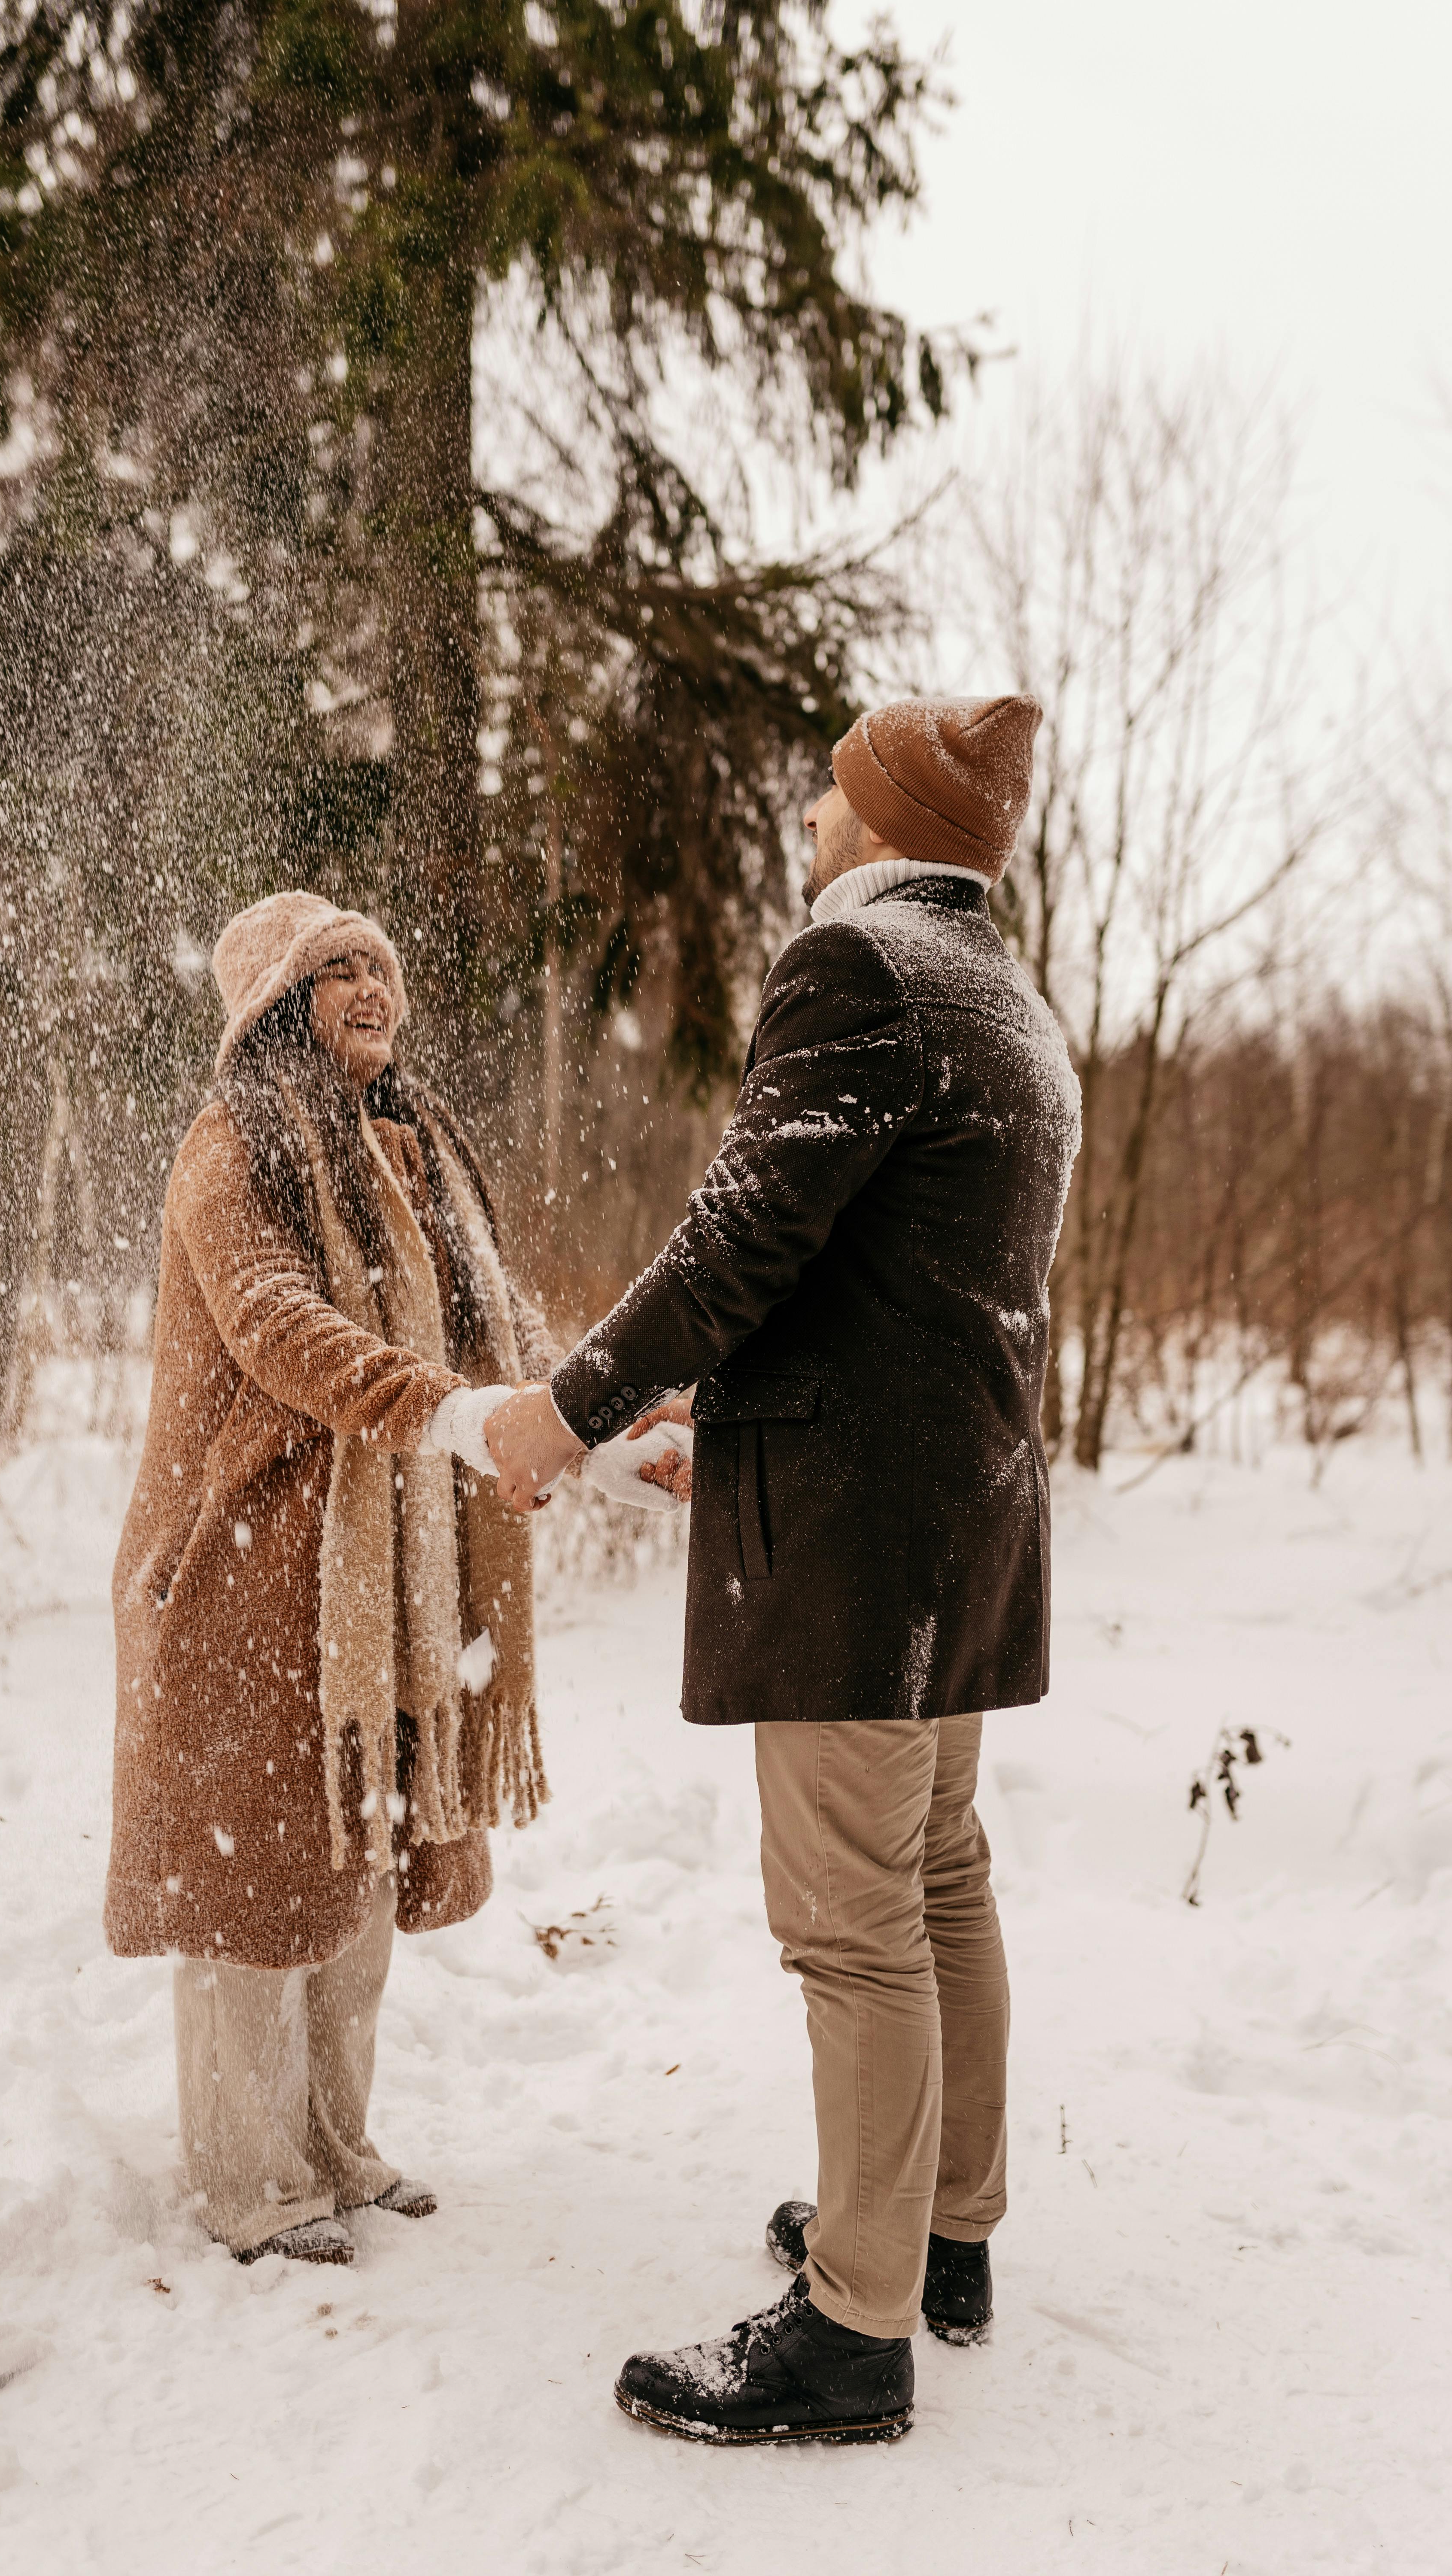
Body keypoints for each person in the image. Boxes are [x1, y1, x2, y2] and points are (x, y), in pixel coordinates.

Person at [486, 695, 1081, 2442]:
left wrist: (570, 1411)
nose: (811, 814)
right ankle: (941, 2235)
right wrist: (730, 1433)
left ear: (885, 813)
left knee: (852, 1926)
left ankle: (852, 2329)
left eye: (831, 785)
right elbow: (888, 1284)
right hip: (958, 1514)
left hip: (862, 1550)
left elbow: (744, 1235)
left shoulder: (859, 969)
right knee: (940, 1879)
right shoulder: (1013, 1006)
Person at [105, 891, 551, 2266]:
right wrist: (458, 1415)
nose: (372, 987)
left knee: (359, 1869)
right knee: (254, 1890)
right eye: (336, 969)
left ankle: (337, 2144)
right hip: (239, 1568)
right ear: (275, 1009)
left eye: (381, 964)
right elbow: (280, 1329)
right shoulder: (228, 1150)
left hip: (386, 1574)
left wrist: (598, 1417)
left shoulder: (415, 1158)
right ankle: (250, 2182)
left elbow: (509, 1337)